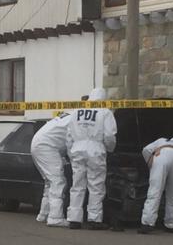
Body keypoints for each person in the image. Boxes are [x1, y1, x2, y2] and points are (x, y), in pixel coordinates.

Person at [65, 89, 118, 230]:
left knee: (77, 185)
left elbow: (69, 134)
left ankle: (74, 219)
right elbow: (109, 136)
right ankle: (94, 219)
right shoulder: (105, 112)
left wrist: (71, 152)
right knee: (96, 186)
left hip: (77, 148)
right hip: (95, 149)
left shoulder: (77, 111)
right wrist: (109, 149)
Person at [30, 109, 73, 227]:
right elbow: (70, 141)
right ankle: (55, 217)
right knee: (58, 182)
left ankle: (44, 214)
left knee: (49, 182)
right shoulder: (78, 119)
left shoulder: (70, 113)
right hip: (47, 146)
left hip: (38, 143)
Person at [138, 135, 173, 235]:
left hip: (162, 155)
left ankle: (148, 223)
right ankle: (171, 224)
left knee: (155, 191)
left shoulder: (161, 140)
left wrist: (150, 162)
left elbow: (146, 150)